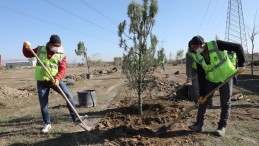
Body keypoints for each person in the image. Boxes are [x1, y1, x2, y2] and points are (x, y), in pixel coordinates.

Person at [22, 34, 83, 133]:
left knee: (68, 95)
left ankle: (75, 118)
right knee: (43, 104)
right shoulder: (41, 49)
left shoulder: (61, 53)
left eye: (58, 46)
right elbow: (28, 54)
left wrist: (57, 78)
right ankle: (47, 124)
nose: (56, 48)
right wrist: (25, 47)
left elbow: (63, 69)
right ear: (50, 44)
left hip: (54, 80)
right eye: (55, 46)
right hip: (42, 81)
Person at [187, 35, 245, 136]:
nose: (194, 50)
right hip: (211, 79)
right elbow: (201, 75)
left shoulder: (217, 45)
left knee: (225, 103)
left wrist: (240, 65)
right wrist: (202, 94)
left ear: (201, 44)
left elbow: (238, 47)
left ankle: (222, 127)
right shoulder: (197, 56)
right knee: (203, 101)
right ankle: (198, 124)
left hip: (226, 77)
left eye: (195, 47)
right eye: (192, 48)